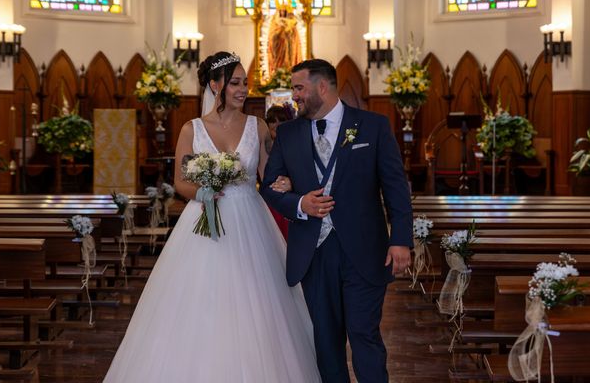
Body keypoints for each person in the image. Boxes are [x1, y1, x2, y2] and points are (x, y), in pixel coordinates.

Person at [104, 52, 320, 382]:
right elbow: (180, 180)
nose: (243, 89)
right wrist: (202, 192)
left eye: (245, 83)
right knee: (200, 300)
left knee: (258, 305)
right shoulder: (192, 129)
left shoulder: (257, 126)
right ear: (214, 85)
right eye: (235, 83)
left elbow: (267, 174)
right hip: (204, 222)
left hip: (251, 223)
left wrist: (285, 183)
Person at [261, 59, 413, 383]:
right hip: (313, 255)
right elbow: (269, 185)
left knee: (364, 337)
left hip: (365, 252)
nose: (294, 96)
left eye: (299, 88)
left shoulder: (373, 126)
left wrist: (400, 239)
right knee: (326, 346)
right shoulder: (287, 133)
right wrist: (300, 202)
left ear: (322, 87)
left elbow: (396, 187)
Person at [265, 104, 296, 239]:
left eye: (281, 120)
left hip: (287, 198)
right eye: (272, 120)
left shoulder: (293, 145)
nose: (276, 124)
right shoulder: (262, 145)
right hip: (267, 200)